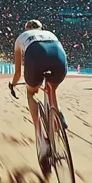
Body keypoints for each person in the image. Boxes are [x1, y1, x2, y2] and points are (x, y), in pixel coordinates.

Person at [9, 20, 67, 165]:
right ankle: (57, 115)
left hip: (35, 57)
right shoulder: (49, 33)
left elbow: (17, 72)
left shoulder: (21, 38)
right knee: (52, 88)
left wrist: (13, 84)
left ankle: (41, 137)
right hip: (59, 57)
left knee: (31, 93)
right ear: (41, 28)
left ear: (26, 28)